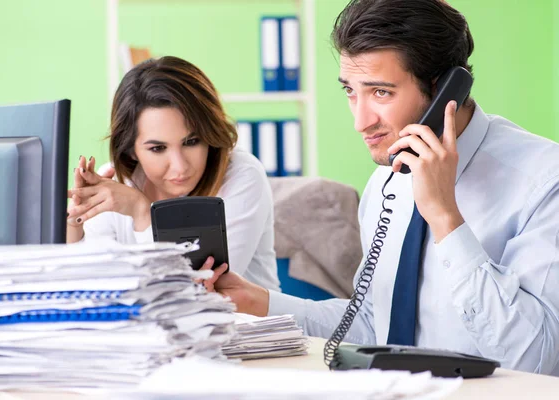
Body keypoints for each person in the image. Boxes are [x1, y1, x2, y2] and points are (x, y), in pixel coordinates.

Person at [203, 0, 559, 375]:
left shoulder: (543, 179)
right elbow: (375, 325)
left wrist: (445, 218)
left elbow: (535, 360)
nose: (360, 121)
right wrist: (260, 302)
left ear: (444, 92)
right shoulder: (389, 180)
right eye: (350, 91)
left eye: (380, 93)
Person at [66, 56, 281, 291]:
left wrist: (143, 213)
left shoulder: (243, 175)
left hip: (247, 325)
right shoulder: (117, 183)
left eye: (192, 141)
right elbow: (93, 286)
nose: (180, 167)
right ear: (130, 149)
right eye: (158, 148)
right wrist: (74, 229)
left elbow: (194, 292)